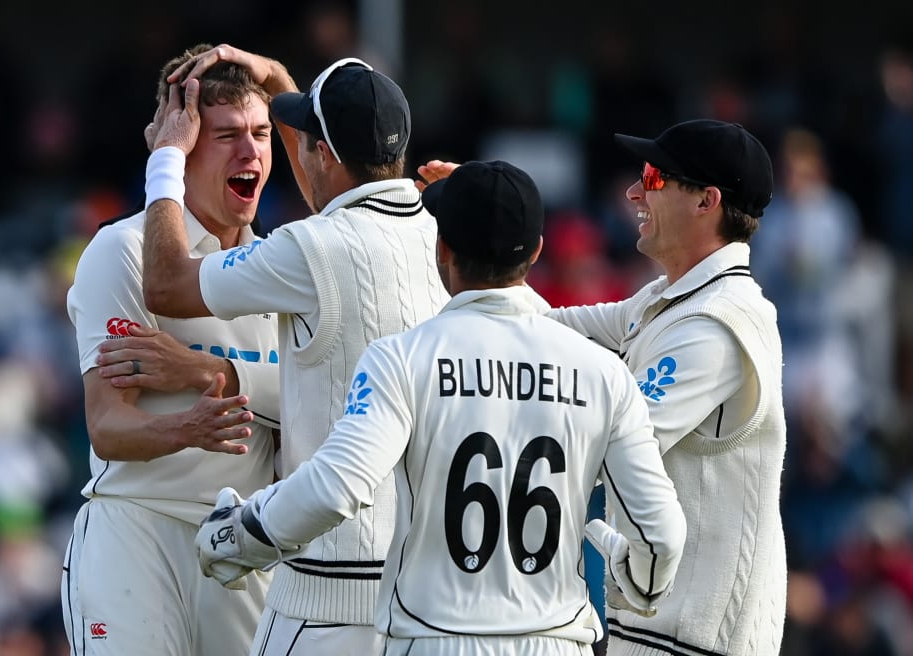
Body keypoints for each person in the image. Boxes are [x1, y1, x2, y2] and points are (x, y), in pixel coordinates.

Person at [193, 160, 687, 656]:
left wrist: (239, 535)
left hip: (436, 641)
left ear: (442, 247)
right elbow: (662, 533)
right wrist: (641, 583)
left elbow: (336, 485)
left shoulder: (402, 358)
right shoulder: (603, 373)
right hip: (556, 643)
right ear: (536, 252)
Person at [142, 45, 450, 654]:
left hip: (325, 590)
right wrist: (282, 80)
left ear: (325, 153)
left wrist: (167, 158)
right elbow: (334, 200)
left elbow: (165, 283)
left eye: (304, 134)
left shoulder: (307, 248)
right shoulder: (443, 233)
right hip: (424, 591)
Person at [60, 44, 284, 656]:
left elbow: (323, 400)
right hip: (139, 530)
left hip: (247, 548)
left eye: (262, 134)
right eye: (227, 135)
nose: (250, 153)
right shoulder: (123, 249)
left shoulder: (286, 265)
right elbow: (107, 426)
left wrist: (210, 372)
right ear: (182, 147)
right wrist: (188, 425)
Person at [540, 120, 786, 655]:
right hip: (661, 632)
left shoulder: (716, 325)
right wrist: (481, 234)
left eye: (653, 177)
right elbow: (547, 327)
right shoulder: (673, 298)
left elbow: (609, 449)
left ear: (707, 202)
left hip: (696, 642)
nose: (633, 191)